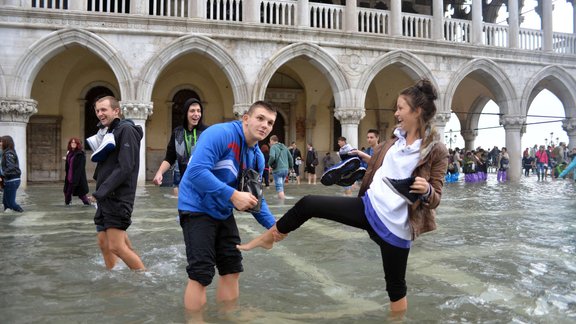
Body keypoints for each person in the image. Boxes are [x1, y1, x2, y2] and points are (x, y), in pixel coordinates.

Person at [238, 79, 449, 315]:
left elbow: (436, 196)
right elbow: (387, 167)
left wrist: (427, 190)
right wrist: (362, 157)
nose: (396, 113)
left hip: (397, 227)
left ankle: (397, 320)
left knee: (396, 288)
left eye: (401, 108)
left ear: (417, 111)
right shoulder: (394, 141)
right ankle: (272, 236)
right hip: (369, 207)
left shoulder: (436, 150)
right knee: (309, 203)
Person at [177, 101, 280, 312]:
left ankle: (229, 316)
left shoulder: (257, 157)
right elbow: (195, 173)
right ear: (245, 118)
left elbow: (255, 199)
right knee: (202, 273)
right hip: (196, 207)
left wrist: (274, 226)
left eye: (270, 122)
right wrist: (233, 195)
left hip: (222, 211)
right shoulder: (220, 134)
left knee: (232, 268)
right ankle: (195, 320)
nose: (265, 125)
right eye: (260, 118)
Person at [89, 96, 145, 271]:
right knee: (104, 243)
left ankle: (145, 277)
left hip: (118, 197)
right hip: (105, 197)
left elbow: (126, 167)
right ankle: (113, 275)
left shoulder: (126, 130)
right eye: (97, 110)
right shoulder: (109, 132)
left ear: (116, 111)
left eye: (104, 110)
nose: (100, 114)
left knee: (116, 246)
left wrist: (101, 192)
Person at [153, 98, 207, 196]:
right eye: (192, 111)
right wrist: (159, 173)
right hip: (182, 183)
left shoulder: (207, 132)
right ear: (186, 113)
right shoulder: (177, 132)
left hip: (202, 185)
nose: (196, 114)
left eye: (199, 111)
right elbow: (170, 158)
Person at [63, 137, 90, 206]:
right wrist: (66, 159)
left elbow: (80, 167)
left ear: (77, 144)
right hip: (69, 176)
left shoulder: (80, 154)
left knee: (81, 194)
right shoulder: (70, 153)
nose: (73, 144)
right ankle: (67, 204)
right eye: (72, 142)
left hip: (77, 177)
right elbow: (70, 163)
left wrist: (76, 179)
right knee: (67, 192)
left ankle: (88, 204)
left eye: (75, 142)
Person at [0, 136, 24, 212]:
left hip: (12, 181)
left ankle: (23, 214)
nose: (0, 143)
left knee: (11, 203)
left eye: (1, 141)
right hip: (9, 180)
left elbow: (11, 167)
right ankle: (8, 221)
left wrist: (2, 175)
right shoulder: (7, 152)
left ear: (6, 143)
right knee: (6, 203)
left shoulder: (9, 153)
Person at [268, 135, 294, 199]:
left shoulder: (273, 147)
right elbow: (290, 158)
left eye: (270, 141)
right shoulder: (284, 147)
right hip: (285, 169)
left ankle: (281, 204)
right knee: (281, 186)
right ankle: (281, 197)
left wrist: (269, 164)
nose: (270, 143)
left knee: (279, 187)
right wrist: (291, 167)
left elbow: (272, 157)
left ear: (272, 140)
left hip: (278, 170)